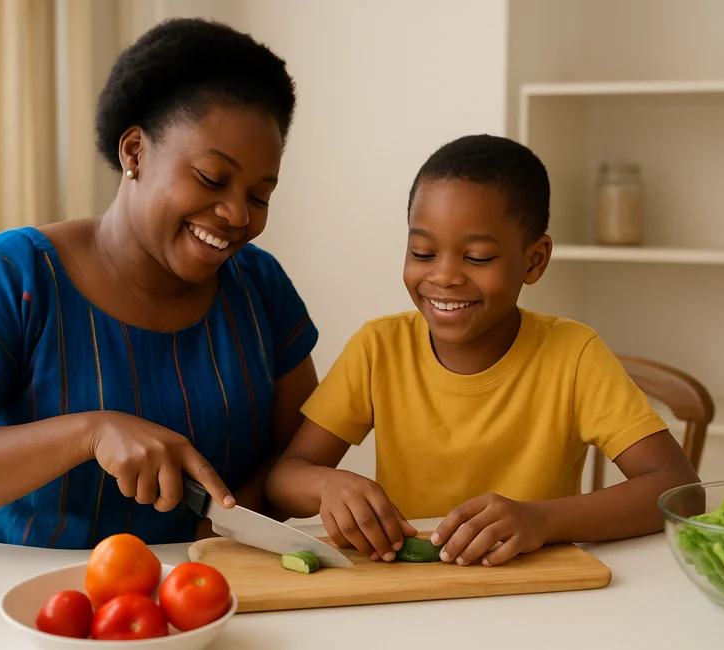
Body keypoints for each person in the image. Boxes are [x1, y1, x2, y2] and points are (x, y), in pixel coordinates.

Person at [0, 18, 319, 549]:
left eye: (259, 196)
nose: (235, 214)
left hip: (199, 597)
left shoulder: (260, 287)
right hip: (16, 604)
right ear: (134, 152)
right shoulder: (15, 275)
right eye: (211, 178)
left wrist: (228, 525)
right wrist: (89, 433)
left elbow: (297, 455)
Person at [265, 134, 700, 566]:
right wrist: (329, 486)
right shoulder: (378, 348)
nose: (444, 276)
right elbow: (285, 476)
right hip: (409, 590)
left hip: (533, 591)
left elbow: (679, 491)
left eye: (476, 258)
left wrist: (540, 520)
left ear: (534, 261)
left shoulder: (574, 355)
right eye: (423, 252)